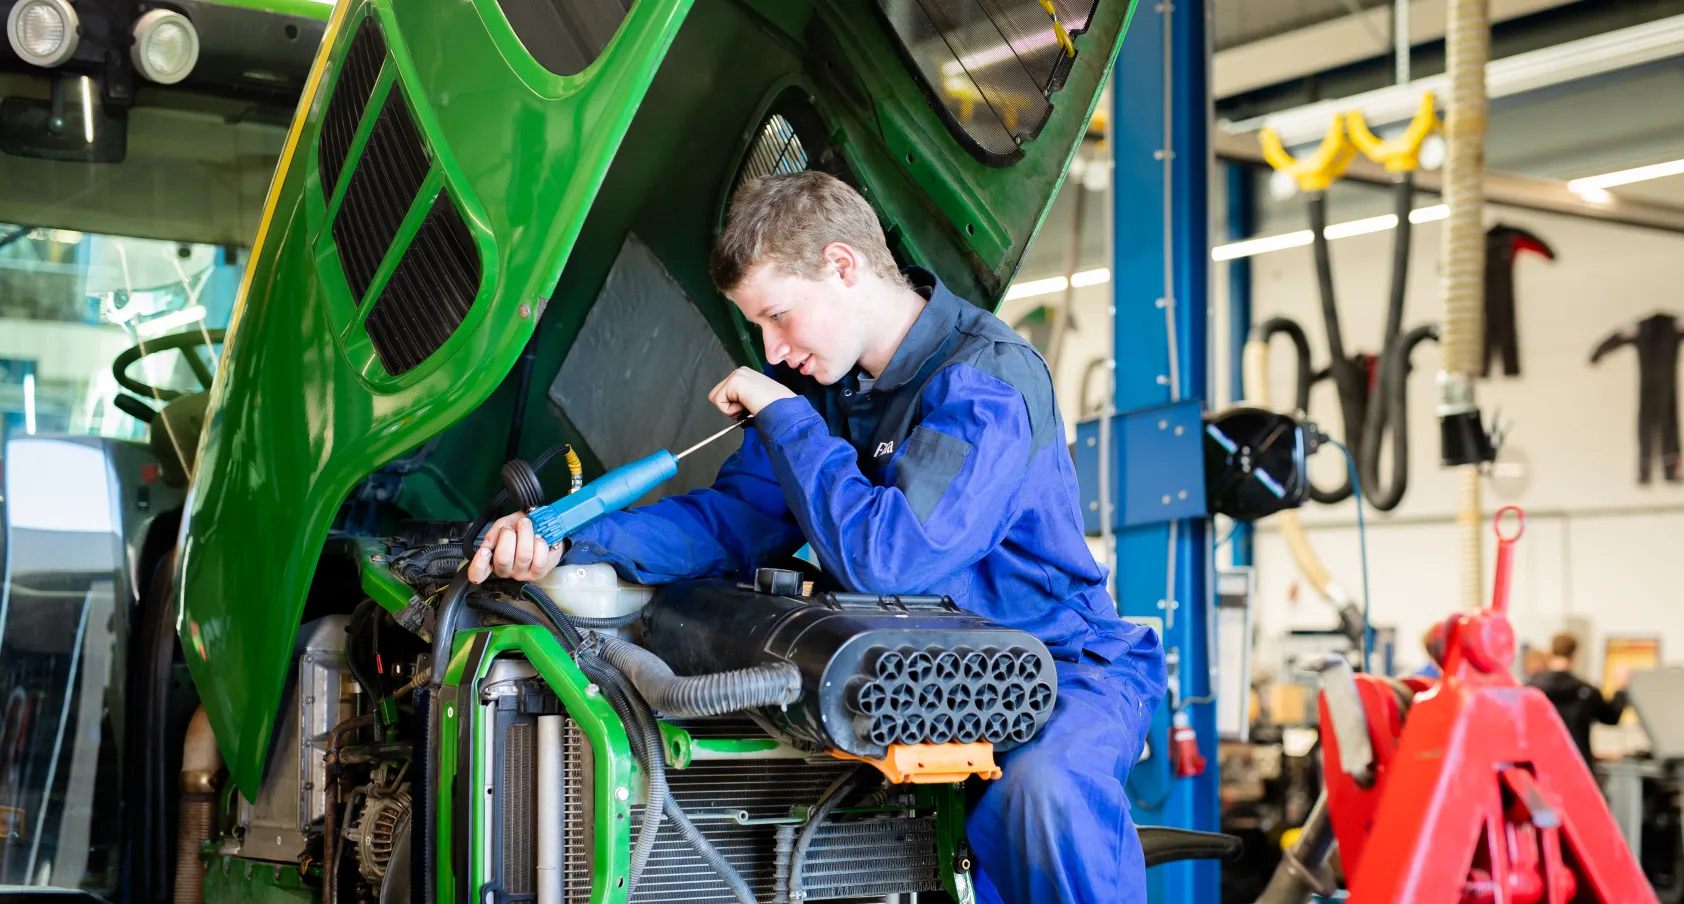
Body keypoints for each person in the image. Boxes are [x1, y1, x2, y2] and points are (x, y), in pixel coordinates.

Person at [468, 171, 1166, 903]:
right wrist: (568, 539)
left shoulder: (985, 382)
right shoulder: (827, 396)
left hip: (1061, 669)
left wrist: (786, 418)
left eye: (779, 317)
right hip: (908, 674)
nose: (772, 352)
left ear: (843, 265)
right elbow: (730, 522)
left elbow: (890, 558)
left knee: (1043, 793)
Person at [1527, 632, 1628, 766]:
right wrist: (1621, 689)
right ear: (1575, 655)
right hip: (1577, 767)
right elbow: (1612, 717)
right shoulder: (1586, 691)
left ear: (1550, 652)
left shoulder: (1530, 690)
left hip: (1541, 766)